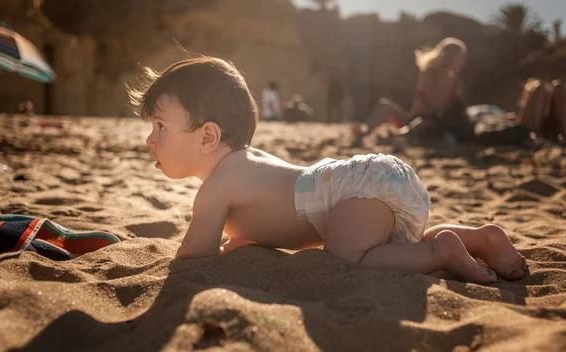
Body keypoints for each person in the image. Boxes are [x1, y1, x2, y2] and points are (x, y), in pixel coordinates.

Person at [130, 56, 527, 285]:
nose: (150, 139)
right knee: (395, 247)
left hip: (350, 194)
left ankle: (440, 253)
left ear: (207, 137)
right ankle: (481, 239)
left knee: (346, 259)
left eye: (160, 126)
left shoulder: (217, 188)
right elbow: (277, 218)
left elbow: (192, 259)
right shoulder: (250, 162)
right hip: (371, 180)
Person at [351, 37, 469, 146]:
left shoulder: (456, 83)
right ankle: (365, 131)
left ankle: (396, 137)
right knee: (384, 104)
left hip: (436, 125)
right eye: (460, 58)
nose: (462, 62)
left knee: (425, 124)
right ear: (450, 56)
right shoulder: (429, 73)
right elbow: (432, 102)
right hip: (415, 120)